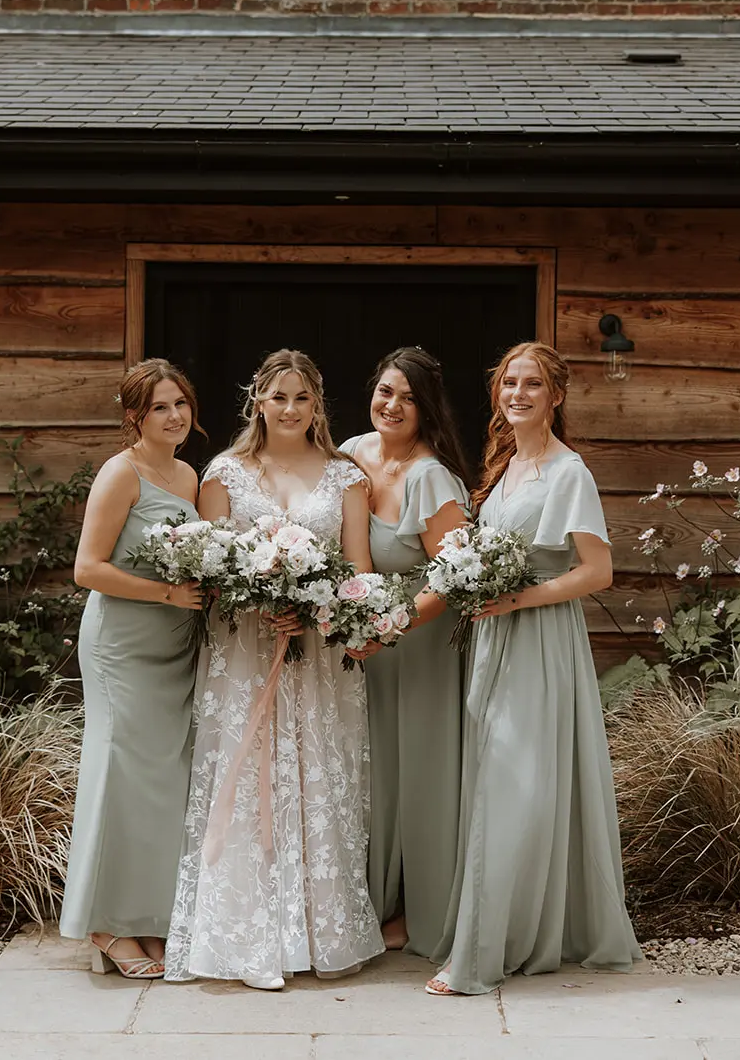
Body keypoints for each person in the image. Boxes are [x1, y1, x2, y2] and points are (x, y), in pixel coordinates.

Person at [427, 341, 645, 997]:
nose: (517, 393)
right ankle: (514, 929)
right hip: (495, 636)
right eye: (509, 383)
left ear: (556, 396)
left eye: (532, 384)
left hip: (540, 638)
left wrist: (520, 596)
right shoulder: (505, 465)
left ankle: (478, 957)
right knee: (498, 782)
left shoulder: (567, 471)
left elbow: (596, 570)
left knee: (509, 784)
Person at [163, 349, 385, 991]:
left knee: (318, 773)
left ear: (318, 405)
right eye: (278, 397)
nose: (290, 410)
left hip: (318, 658)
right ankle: (244, 933)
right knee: (248, 773)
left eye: (303, 399)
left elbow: (359, 572)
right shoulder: (225, 474)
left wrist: (315, 612)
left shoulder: (345, 477)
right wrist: (258, 600)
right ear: (256, 401)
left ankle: (319, 932)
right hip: (243, 653)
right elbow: (207, 570)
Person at [59, 359, 206, 979]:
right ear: (134, 418)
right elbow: (87, 568)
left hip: (175, 645)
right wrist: (167, 595)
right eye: (159, 408)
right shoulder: (120, 474)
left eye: (180, 404)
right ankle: (103, 924)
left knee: (164, 783)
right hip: (122, 645)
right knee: (118, 772)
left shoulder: (189, 473)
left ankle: (149, 918)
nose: (174, 417)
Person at [339, 347, 471, 958]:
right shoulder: (350, 455)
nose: (392, 405)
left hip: (419, 644)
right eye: (385, 391)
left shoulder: (431, 477)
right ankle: (370, 902)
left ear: (427, 409)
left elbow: (452, 578)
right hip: (362, 643)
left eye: (408, 398)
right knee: (371, 774)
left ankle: (423, 913)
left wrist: (387, 628)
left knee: (418, 774)